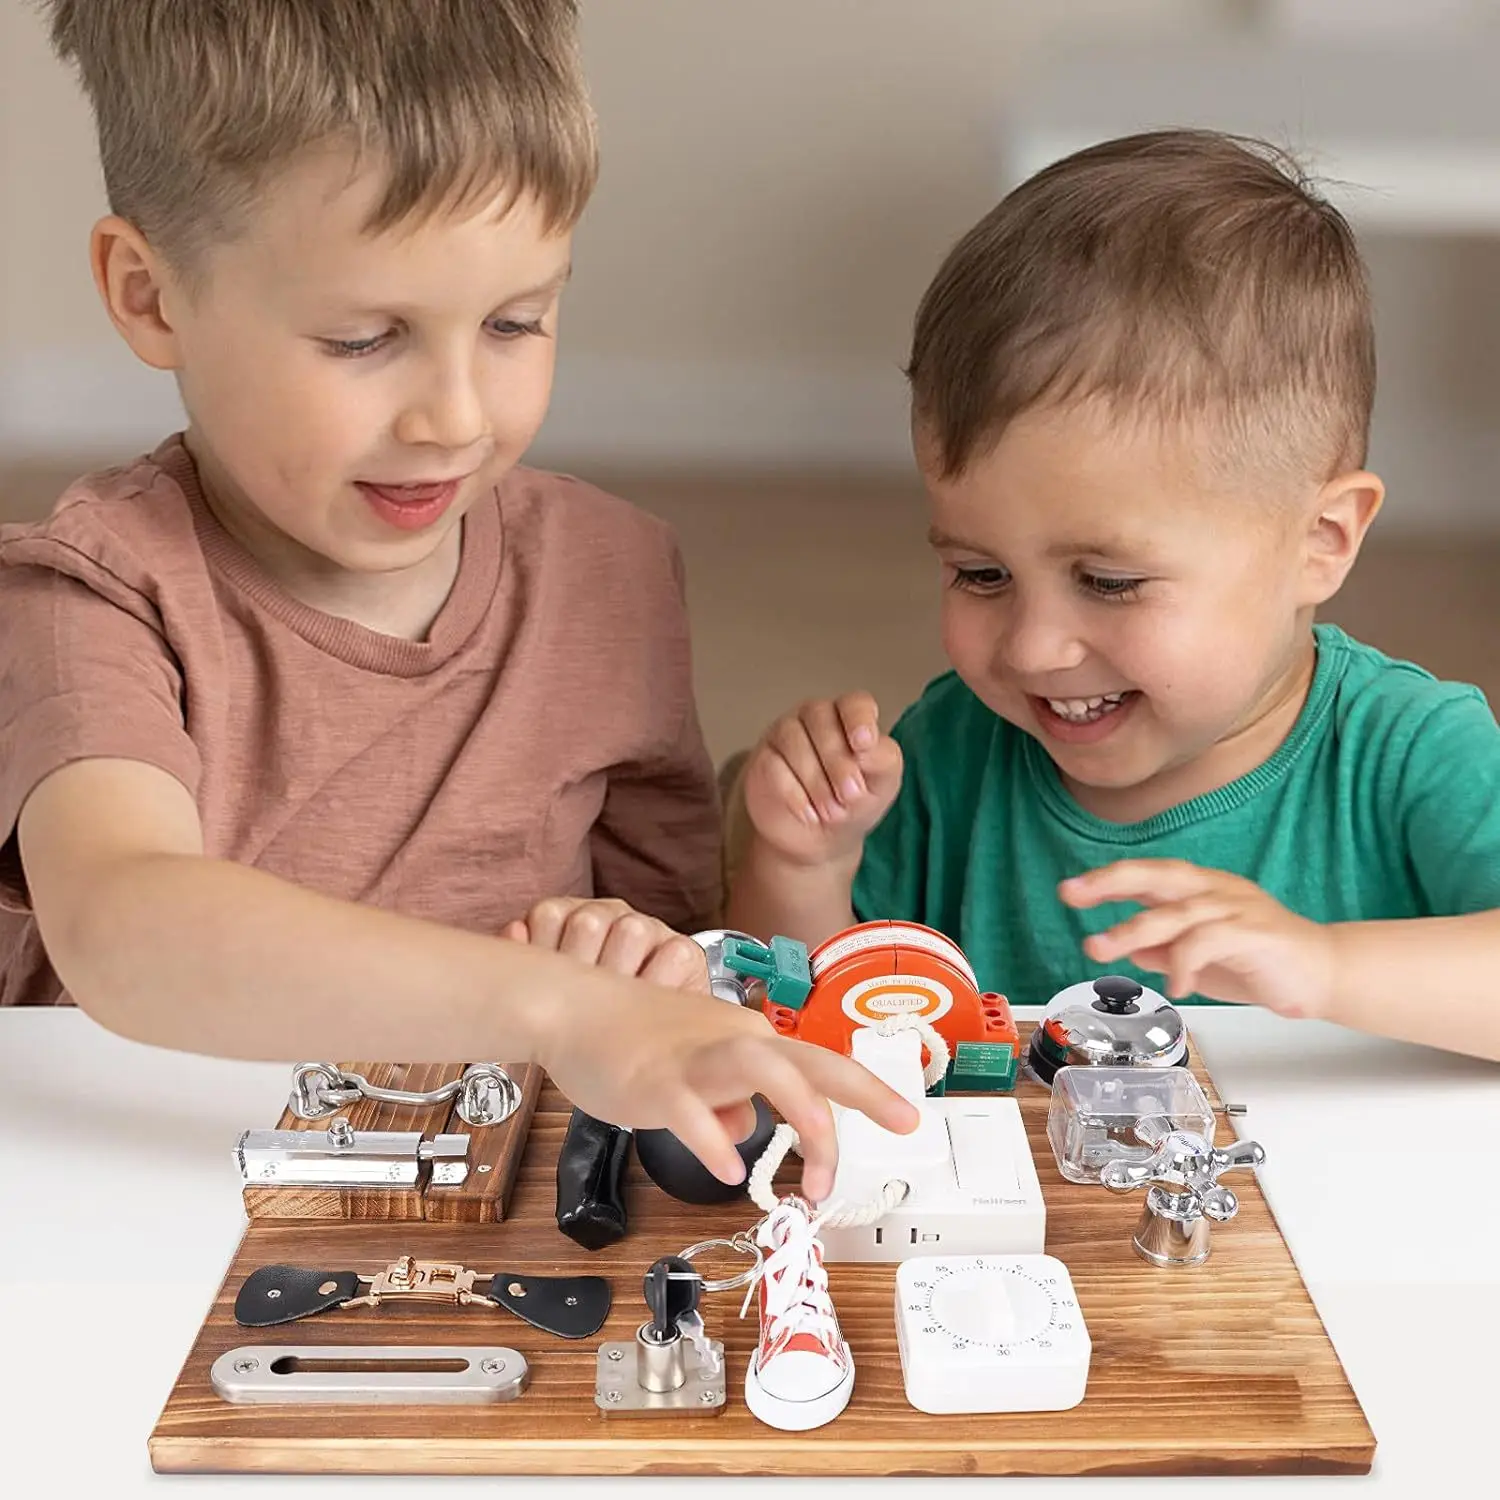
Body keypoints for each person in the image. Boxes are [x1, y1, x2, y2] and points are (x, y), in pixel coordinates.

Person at [0, 0, 915, 1196]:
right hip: (140, 1200)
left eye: (514, 323)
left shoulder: (607, 573)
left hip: (505, 1208)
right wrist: (553, 1004)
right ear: (149, 295)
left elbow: (679, 969)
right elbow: (126, 928)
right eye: (365, 338)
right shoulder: (90, 597)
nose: (456, 419)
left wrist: (637, 959)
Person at [726, 130, 1500, 1061]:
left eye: (1110, 582)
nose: (1031, 648)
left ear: (1321, 542)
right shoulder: (949, 758)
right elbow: (806, 1037)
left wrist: (1325, 967)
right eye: (981, 573)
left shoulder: (1418, 755)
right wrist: (802, 864)